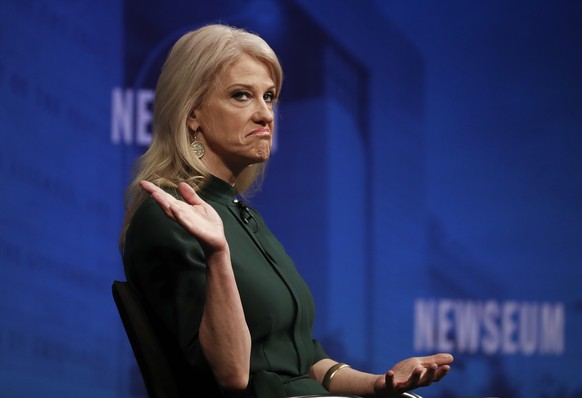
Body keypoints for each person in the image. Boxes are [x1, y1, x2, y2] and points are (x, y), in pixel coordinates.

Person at [120, 23, 453, 398]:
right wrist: (217, 254)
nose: (266, 114)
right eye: (242, 95)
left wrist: (381, 383)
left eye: (270, 97)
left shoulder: (241, 214)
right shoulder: (169, 215)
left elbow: (307, 361)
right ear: (192, 113)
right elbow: (232, 374)